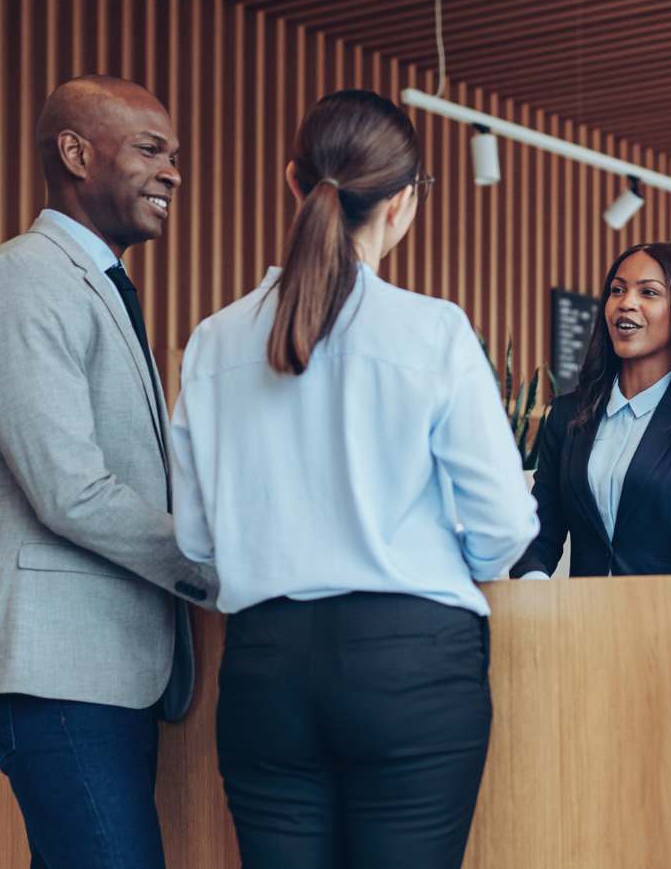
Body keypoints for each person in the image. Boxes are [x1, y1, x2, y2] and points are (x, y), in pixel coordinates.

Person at [168, 89, 538, 869]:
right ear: (403, 203)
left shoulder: (214, 341)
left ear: (294, 181)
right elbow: (506, 524)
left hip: (265, 666)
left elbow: (196, 540)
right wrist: (444, 564)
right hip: (412, 663)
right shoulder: (432, 330)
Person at [0, 74, 216, 869]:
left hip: (100, 670)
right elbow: (71, 491)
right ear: (75, 153)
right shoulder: (24, 279)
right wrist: (216, 566)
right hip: (53, 669)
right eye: (151, 150)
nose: (172, 173)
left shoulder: (94, 284)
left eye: (175, 155)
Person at [511, 242, 671, 578]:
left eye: (649, 292)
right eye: (617, 290)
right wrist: (534, 584)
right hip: (578, 610)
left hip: (668, 610)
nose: (626, 303)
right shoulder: (569, 414)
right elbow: (539, 534)